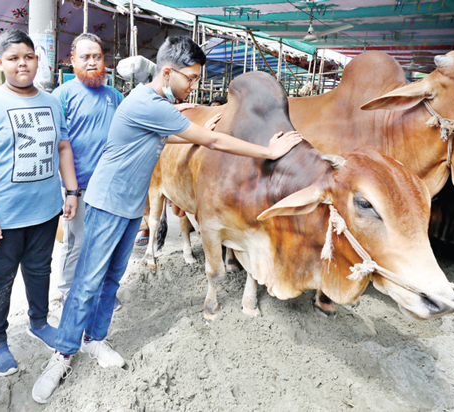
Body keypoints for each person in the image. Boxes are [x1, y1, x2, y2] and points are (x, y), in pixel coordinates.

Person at [31, 35, 302, 404]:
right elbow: (214, 143)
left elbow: (163, 136)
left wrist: (201, 125)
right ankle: (62, 356)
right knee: (87, 282)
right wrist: (267, 150)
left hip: (129, 208)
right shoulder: (148, 102)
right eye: (190, 78)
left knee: (111, 278)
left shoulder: (154, 103)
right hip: (108, 203)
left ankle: (94, 340)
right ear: (168, 71)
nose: (193, 85)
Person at [0, 29, 79, 377]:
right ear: (0, 64)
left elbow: (62, 148)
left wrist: (70, 192)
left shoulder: (52, 102)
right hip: (3, 218)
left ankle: (39, 321)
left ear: (37, 60)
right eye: (13, 58)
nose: (22, 64)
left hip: (44, 211)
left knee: (41, 269)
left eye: (28, 56)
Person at [51, 33, 124, 302]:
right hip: (77, 187)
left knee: (105, 242)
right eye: (85, 57)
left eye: (97, 56)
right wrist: (70, 189)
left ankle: (100, 291)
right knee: (76, 243)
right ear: (73, 60)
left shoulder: (115, 96)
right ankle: (67, 292)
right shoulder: (62, 95)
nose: (92, 62)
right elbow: (58, 144)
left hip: (108, 186)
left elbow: (139, 125)